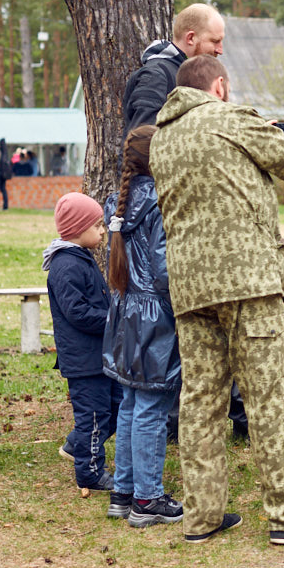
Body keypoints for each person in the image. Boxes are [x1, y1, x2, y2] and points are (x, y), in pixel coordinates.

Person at [150, 55, 284, 545]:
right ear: (218, 86)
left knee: (200, 404)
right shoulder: (229, 116)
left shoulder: (163, 138)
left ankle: (202, 517)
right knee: (271, 397)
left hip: (190, 289)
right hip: (246, 282)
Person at [101, 125, 184, 527]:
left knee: (132, 403)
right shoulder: (161, 202)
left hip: (124, 312)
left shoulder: (118, 203)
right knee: (150, 405)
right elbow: (166, 271)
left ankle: (124, 491)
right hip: (155, 316)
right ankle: (148, 499)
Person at [42, 193, 120, 492]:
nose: (102, 231)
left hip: (98, 356)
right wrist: (113, 320)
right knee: (94, 416)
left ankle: (76, 445)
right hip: (83, 361)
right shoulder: (66, 266)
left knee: (114, 407)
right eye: (97, 225)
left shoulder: (80, 257)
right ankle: (89, 473)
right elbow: (77, 313)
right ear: (77, 228)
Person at [122, 3, 225, 138]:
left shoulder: (192, 74)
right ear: (191, 38)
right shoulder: (156, 76)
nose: (220, 50)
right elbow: (141, 144)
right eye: (215, 41)